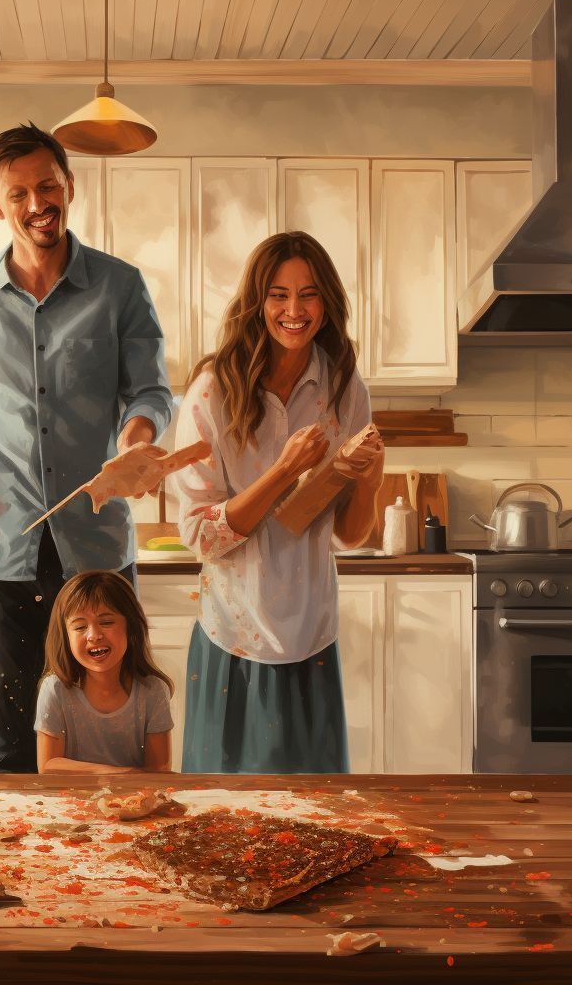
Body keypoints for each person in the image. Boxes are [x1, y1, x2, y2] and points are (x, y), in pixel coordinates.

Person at [0, 122, 174, 772]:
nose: (37, 203)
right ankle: (19, 868)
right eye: (18, 194)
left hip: (97, 547)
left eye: (48, 186)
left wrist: (137, 438)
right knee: (7, 741)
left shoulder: (120, 288)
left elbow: (151, 392)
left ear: (70, 185)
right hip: (0, 553)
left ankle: (106, 871)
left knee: (113, 733)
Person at [171, 231, 384, 775]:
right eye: (278, 294)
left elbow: (349, 534)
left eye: (309, 294)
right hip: (234, 637)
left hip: (313, 634)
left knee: (317, 819)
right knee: (225, 819)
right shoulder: (212, 392)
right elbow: (201, 537)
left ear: (327, 302)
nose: (295, 310)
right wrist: (284, 470)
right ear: (256, 301)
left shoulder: (344, 388)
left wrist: (371, 481)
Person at [35, 570, 174, 774]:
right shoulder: (56, 688)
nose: (94, 635)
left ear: (131, 629)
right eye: (80, 627)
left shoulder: (152, 690)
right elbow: (48, 766)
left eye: (106, 622)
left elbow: (159, 771)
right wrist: (117, 774)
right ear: (65, 637)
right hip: (71, 800)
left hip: (135, 800)